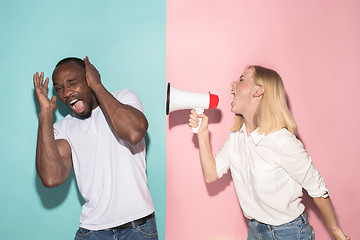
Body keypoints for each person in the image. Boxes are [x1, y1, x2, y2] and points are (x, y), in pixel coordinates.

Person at [189, 65, 350, 240]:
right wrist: (202, 135)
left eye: (241, 79)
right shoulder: (237, 137)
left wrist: (336, 232)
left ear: (258, 91)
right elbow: (211, 174)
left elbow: (318, 191)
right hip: (255, 230)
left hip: (290, 233)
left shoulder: (282, 142)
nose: (232, 84)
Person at [33, 56, 158, 240]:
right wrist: (45, 115)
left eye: (72, 83)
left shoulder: (124, 98)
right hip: (93, 231)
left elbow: (133, 133)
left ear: (88, 79)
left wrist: (97, 86)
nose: (66, 93)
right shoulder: (63, 128)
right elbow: (51, 178)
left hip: (137, 227)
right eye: (59, 88)